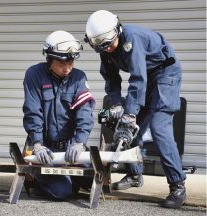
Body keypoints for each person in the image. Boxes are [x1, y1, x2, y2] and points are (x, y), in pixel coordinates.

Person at [84, 10, 186, 208]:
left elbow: (137, 78)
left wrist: (129, 113)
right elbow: (112, 81)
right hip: (146, 78)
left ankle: (178, 186)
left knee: (158, 126)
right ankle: (134, 175)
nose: (109, 50)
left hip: (165, 74)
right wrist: (116, 106)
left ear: (117, 30)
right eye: (104, 48)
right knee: (127, 128)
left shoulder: (132, 39)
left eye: (111, 45)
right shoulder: (105, 49)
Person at [23, 30, 95, 200]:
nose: (67, 68)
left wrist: (80, 142)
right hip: (46, 148)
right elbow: (33, 111)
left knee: (95, 179)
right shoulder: (34, 75)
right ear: (49, 59)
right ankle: (37, 178)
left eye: (71, 63)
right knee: (62, 192)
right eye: (62, 63)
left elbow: (84, 112)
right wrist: (38, 144)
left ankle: (71, 179)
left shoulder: (79, 78)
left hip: (70, 147)